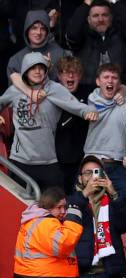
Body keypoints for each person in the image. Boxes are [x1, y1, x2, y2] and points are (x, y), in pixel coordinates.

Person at [0, 52, 98, 191]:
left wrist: (88, 111)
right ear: (26, 70)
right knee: (19, 209)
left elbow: (76, 106)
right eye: (33, 67)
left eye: (41, 67)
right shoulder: (14, 90)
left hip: (48, 162)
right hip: (20, 161)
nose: (38, 71)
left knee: (55, 207)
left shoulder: (54, 89)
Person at [84, 63, 126, 236]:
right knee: (88, 216)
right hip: (91, 168)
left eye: (114, 78)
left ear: (119, 83)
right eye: (106, 77)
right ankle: (91, 259)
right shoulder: (87, 102)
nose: (110, 81)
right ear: (97, 81)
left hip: (117, 167)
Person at [65, 0, 126, 95]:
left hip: (121, 91)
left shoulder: (122, 35)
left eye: (105, 15)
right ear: (88, 20)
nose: (100, 19)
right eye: (95, 16)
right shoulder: (82, 37)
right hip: (87, 92)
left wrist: (113, 1)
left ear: (111, 18)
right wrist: (86, 4)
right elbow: (72, 34)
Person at [7, 10, 67, 95]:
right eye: (34, 28)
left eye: (42, 29)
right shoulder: (15, 60)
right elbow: (12, 94)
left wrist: (49, 70)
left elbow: (67, 88)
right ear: (27, 30)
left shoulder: (60, 54)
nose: (38, 32)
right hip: (26, 105)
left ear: (47, 31)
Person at [55, 56, 90, 194]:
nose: (70, 75)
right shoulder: (51, 94)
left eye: (74, 72)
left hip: (82, 160)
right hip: (57, 161)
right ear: (59, 76)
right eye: (65, 72)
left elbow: (114, 86)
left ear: (80, 76)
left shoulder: (90, 93)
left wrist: (123, 91)